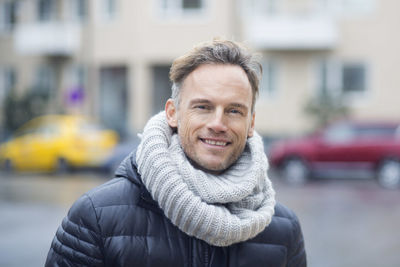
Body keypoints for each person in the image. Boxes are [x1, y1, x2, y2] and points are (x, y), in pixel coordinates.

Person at [45, 39, 306, 266]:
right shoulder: (96, 218)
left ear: (251, 123)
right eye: (203, 107)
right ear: (173, 113)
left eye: (234, 110)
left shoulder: (283, 229)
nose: (217, 123)